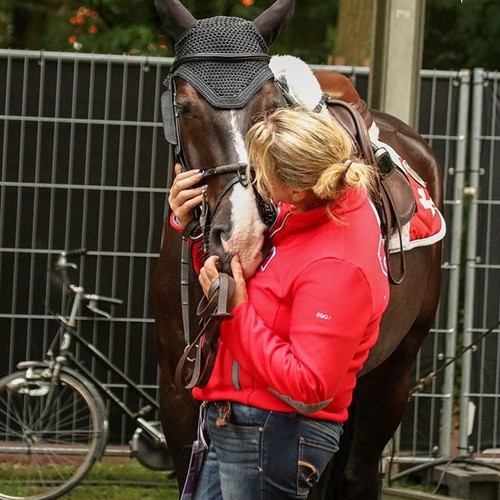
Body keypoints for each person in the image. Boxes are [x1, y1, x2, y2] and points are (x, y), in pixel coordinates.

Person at [168, 108, 390, 499]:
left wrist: (236, 312)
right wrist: (191, 227)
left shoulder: (337, 264)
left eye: (262, 174)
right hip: (242, 421)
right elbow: (243, 276)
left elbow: (310, 385)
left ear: (298, 187)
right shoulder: (306, 210)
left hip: (273, 433)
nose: (257, 183)